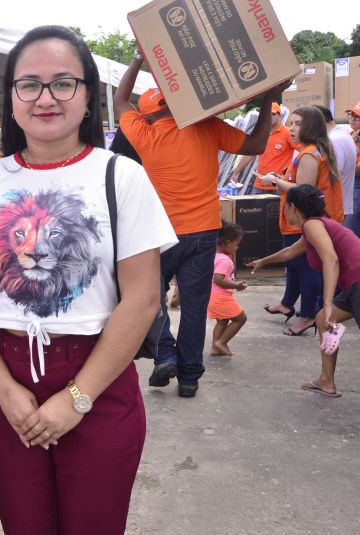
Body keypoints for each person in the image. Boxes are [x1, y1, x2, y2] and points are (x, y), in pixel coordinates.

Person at [0, 26, 177, 534]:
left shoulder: (121, 175)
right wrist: (3, 389)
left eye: (63, 83)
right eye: (29, 84)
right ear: (11, 97)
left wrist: (78, 397)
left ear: (87, 95)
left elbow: (142, 300)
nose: (46, 97)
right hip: (10, 378)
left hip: (99, 376)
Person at [114, 51, 287, 397]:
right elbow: (254, 145)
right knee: (194, 305)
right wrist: (269, 97)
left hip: (159, 234)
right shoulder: (206, 127)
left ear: (149, 115)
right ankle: (190, 377)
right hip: (203, 233)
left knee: (152, 298)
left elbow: (120, 100)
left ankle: (165, 353)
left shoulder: (144, 134)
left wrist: (137, 60)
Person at [248, 185, 360, 397]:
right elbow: (290, 251)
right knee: (321, 319)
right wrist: (263, 261)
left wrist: (327, 304)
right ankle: (326, 381)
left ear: (292, 206)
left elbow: (331, 259)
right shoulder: (314, 226)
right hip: (353, 284)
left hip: (357, 282)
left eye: (284, 205)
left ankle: (327, 380)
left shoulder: (312, 225)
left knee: (324, 314)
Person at [258, 106, 344, 336]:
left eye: (297, 124)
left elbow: (303, 192)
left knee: (305, 268)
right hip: (301, 221)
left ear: (311, 127)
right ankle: (288, 303)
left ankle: (307, 315)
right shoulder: (313, 151)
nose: (292, 128)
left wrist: (274, 181)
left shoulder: (308, 154)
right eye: (292, 122)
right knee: (295, 265)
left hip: (304, 222)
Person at [230, 102, 295, 195]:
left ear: (279, 115)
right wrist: (236, 172)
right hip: (260, 184)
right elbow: (250, 154)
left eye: (272, 114)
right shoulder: (261, 134)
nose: (269, 117)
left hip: (278, 185)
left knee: (278, 209)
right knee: (255, 209)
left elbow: (303, 152)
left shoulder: (287, 133)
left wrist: (292, 175)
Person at [207, 222, 247, 356]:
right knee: (241, 318)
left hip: (213, 296)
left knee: (222, 322)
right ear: (227, 243)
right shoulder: (224, 260)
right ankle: (222, 342)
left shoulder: (214, 255)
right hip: (221, 297)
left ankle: (215, 348)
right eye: (237, 244)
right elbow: (218, 279)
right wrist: (236, 285)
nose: (237, 247)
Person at [314, 105, 355, 227]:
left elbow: (332, 174)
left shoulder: (333, 140)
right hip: (337, 204)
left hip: (332, 206)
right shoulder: (342, 135)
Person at [342, 102, 360, 237]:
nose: (353, 118)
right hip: (347, 183)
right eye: (351, 114)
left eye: (357, 116)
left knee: (349, 231)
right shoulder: (349, 135)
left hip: (357, 185)